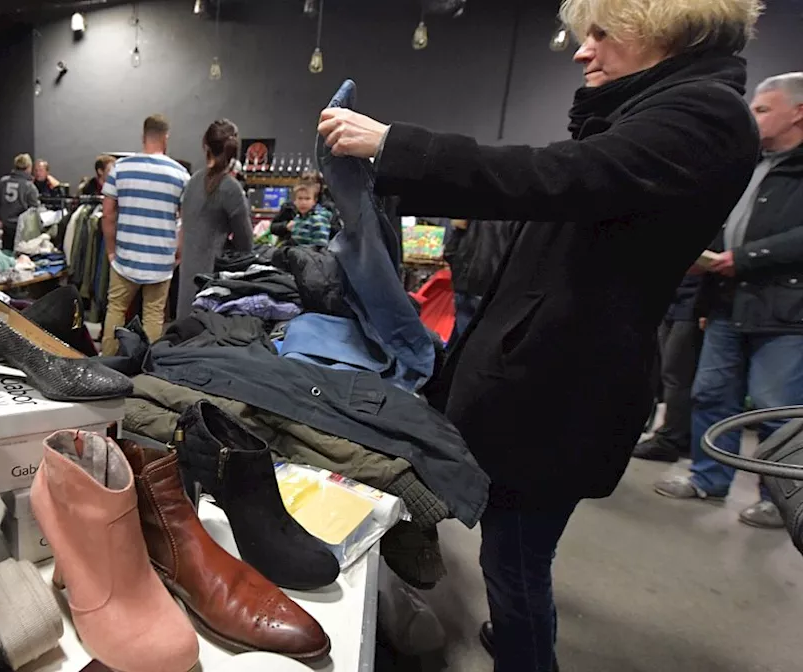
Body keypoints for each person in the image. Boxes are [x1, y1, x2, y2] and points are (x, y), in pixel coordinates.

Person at [317, 1, 761, 670]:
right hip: (552, 383)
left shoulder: (704, 118)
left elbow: (554, 177)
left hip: (565, 395)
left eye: (602, 34)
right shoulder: (659, 116)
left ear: (661, 28)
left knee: (515, 556)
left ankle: (528, 655)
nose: (584, 52)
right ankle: (522, 636)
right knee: (517, 550)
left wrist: (394, 145)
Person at [654, 72, 803, 530]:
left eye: (762, 109)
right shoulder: (751, 165)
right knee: (710, 395)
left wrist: (744, 258)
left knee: (775, 407)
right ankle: (707, 477)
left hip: (784, 312)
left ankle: (781, 501)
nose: (752, 117)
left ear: (798, 112)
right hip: (724, 303)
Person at [101, 115, 190, 355]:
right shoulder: (180, 174)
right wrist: (178, 251)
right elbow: (185, 220)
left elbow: (108, 214)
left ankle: (107, 362)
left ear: (143, 136)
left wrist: (111, 250)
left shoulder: (121, 168)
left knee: (116, 308)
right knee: (153, 313)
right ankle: (144, 369)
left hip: (125, 256)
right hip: (161, 258)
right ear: (166, 138)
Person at [177, 119, 254, 320]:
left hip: (188, 279)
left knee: (184, 335)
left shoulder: (193, 181)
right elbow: (245, 245)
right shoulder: (231, 188)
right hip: (215, 283)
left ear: (206, 146)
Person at [632, 275, 704, 462]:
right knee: (666, 372)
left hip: (694, 303)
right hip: (673, 298)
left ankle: (672, 439)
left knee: (676, 374)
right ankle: (668, 433)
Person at [443, 219, 522, 346]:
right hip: (494, 285)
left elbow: (450, 249)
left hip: (466, 281)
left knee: (464, 337)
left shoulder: (471, 212)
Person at [0, 153, 40, 251]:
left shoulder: (2, 182)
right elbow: (34, 210)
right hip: (22, 230)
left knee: (6, 254)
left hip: (6, 226)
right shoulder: (29, 186)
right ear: (28, 167)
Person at [271, 181, 335, 247]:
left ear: (314, 201)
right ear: (294, 201)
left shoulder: (319, 220)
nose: (303, 202)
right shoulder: (298, 218)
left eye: (307, 199)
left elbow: (319, 247)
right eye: (300, 198)